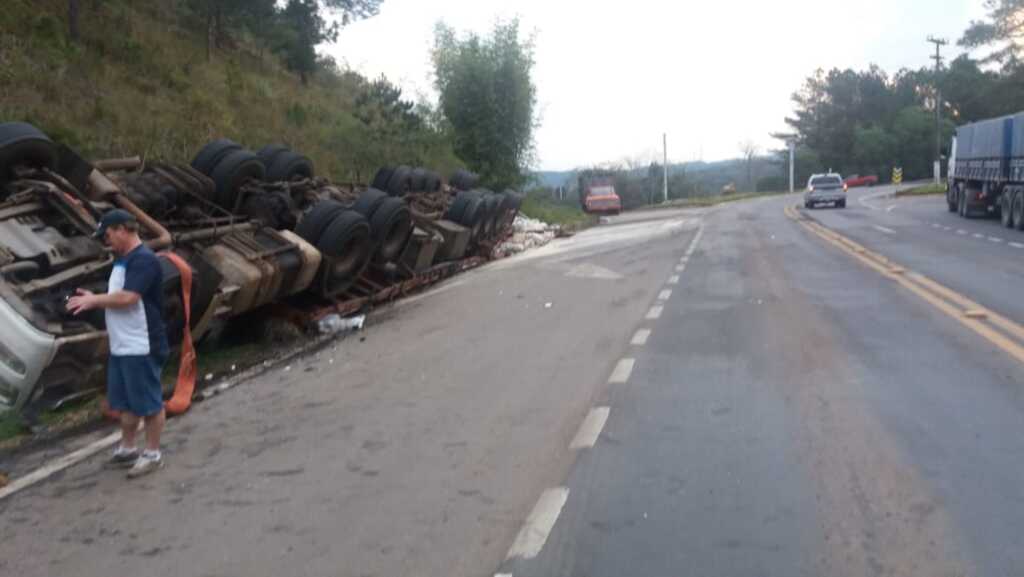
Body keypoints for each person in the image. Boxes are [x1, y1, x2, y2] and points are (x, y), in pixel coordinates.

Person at [67, 209, 169, 478]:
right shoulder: (122, 260)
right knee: (123, 402)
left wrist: (94, 300)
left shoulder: (144, 260)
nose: (106, 240)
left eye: (108, 234)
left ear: (123, 229)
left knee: (149, 403)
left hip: (142, 344)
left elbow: (129, 298)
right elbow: (117, 295)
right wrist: (96, 296)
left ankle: (152, 453)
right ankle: (127, 448)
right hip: (122, 344)